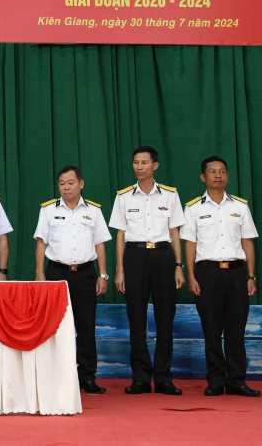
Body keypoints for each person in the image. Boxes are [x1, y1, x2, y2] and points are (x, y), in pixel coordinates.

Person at [181, 156, 260, 397]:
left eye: (222, 171)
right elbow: (190, 245)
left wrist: (251, 276)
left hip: (237, 273)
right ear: (203, 177)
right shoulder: (193, 207)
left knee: (236, 329)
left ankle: (237, 380)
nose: (218, 175)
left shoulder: (240, 206)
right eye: (213, 171)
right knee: (212, 329)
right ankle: (215, 380)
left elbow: (247, 242)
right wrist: (192, 276)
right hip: (207, 273)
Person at [109, 145, 185, 395]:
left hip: (163, 256)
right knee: (136, 317)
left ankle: (164, 377)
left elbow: (175, 232)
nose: (139, 167)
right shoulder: (123, 197)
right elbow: (120, 234)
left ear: (155, 166)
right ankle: (140, 377)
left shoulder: (170, 196)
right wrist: (120, 269)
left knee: (165, 317)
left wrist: (178, 265)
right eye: (135, 162)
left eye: (144, 162)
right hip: (135, 256)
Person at [34, 165, 111, 394]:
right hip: (57, 273)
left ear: (81, 184)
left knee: (86, 326)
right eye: (62, 183)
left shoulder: (94, 211)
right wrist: (40, 274)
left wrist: (103, 274)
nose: (66, 187)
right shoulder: (48, 210)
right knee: (56, 326)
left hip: (86, 273)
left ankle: (87, 376)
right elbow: (41, 242)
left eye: (70, 182)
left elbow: (100, 244)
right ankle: (57, 377)